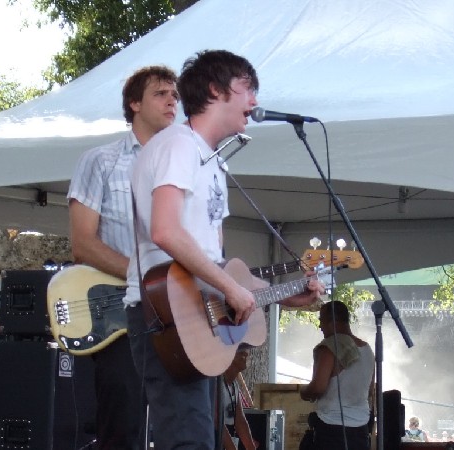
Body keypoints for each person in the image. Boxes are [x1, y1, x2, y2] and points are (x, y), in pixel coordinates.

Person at [123, 49, 324, 450]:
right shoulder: (178, 145)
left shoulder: (213, 161)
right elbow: (164, 230)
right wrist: (232, 290)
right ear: (215, 90)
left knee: (197, 439)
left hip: (195, 316)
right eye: (248, 88)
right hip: (166, 313)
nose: (254, 101)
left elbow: (216, 269)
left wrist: (279, 297)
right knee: (187, 440)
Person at [67, 65, 179, 449]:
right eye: (161, 93)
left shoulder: (189, 164)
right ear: (134, 103)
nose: (172, 101)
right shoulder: (101, 161)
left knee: (178, 425)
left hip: (174, 317)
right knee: (123, 426)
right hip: (116, 313)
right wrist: (142, 278)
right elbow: (82, 243)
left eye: (175, 95)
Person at [300, 301, 375, 450]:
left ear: (332, 321)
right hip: (361, 429)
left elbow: (318, 387)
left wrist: (304, 392)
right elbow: (370, 390)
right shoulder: (367, 350)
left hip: (332, 428)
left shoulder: (330, 347)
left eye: (321, 320)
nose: (320, 326)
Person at [219, 349, 257, 450]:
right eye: (240, 351)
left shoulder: (234, 385)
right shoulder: (216, 384)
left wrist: (251, 447)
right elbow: (217, 422)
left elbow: (240, 420)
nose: (246, 353)